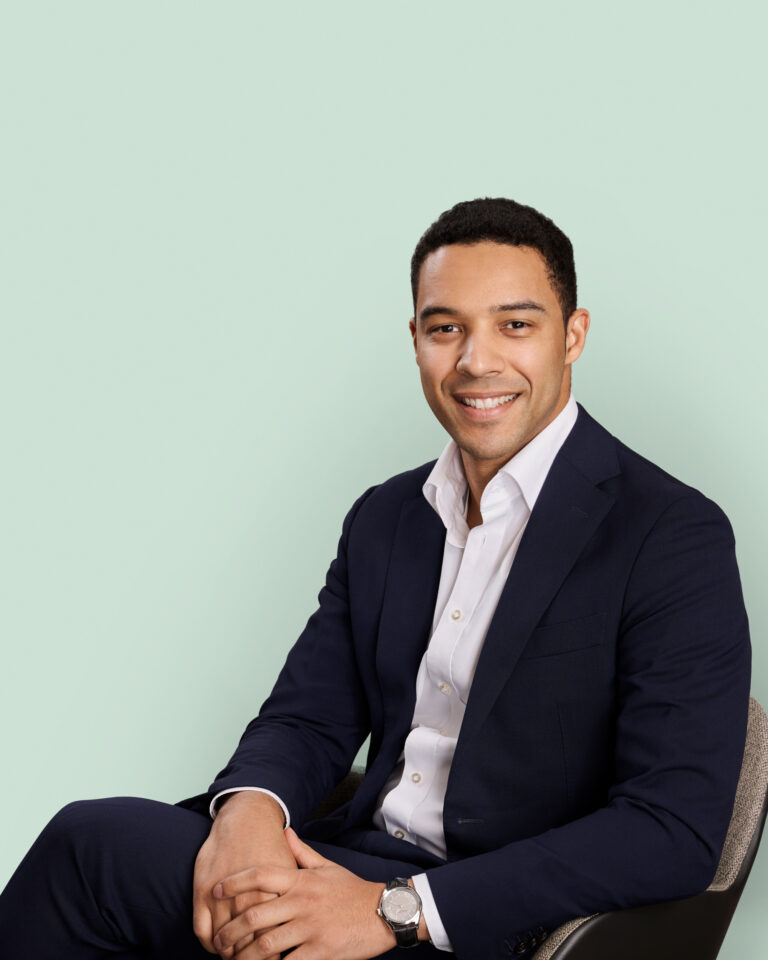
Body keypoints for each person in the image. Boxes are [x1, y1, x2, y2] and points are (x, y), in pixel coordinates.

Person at [0, 198, 751, 960]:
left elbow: (671, 830)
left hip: (494, 920)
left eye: (515, 325)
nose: (477, 361)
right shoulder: (386, 517)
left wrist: (397, 910)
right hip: (343, 860)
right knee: (88, 847)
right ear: (416, 340)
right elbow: (307, 718)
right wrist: (248, 816)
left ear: (573, 335)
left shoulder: (670, 535)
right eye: (445, 328)